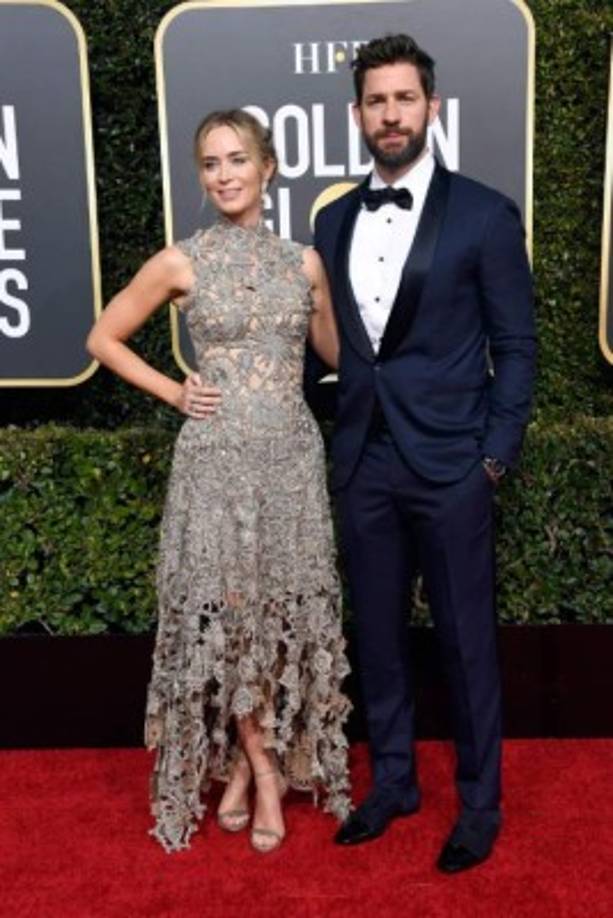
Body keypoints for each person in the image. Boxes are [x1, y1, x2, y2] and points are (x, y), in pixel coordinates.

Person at [87, 109, 351, 854]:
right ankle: (265, 772)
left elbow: (335, 355)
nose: (225, 175)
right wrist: (175, 392)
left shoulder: (303, 263)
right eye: (211, 163)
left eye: (238, 159)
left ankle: (240, 763)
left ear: (268, 168)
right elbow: (103, 337)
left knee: (276, 617)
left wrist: (346, 300)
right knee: (233, 621)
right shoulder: (182, 261)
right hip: (216, 463)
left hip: (290, 460)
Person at [313, 34, 536, 873]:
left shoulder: (483, 213)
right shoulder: (332, 220)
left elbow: (516, 346)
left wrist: (493, 457)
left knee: (465, 642)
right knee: (376, 635)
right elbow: (336, 348)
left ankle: (479, 804)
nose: (390, 114)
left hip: (451, 465)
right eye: (376, 101)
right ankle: (394, 782)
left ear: (431, 107)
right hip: (364, 461)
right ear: (357, 114)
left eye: (404, 98)